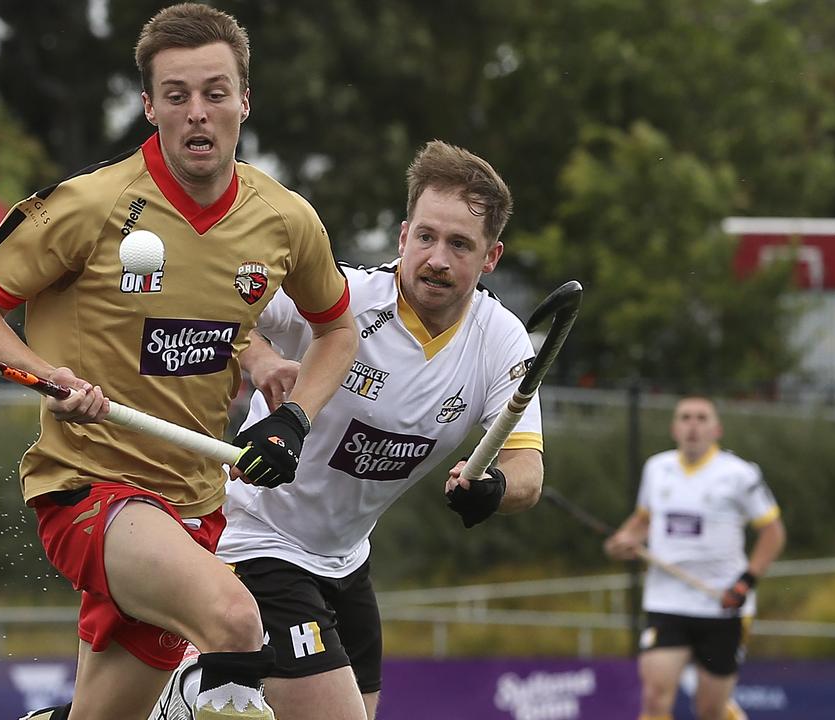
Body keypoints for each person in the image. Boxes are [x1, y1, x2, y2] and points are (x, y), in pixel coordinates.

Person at [0, 5, 357, 719]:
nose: (198, 114)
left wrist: (292, 419)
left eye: (215, 93)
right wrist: (48, 376)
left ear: (244, 100)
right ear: (149, 106)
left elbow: (338, 331)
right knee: (235, 620)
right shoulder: (91, 205)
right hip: (88, 488)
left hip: (195, 507)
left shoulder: (286, 219)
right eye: (177, 96)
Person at [151, 140, 546, 720]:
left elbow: (528, 475)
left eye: (460, 244)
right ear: (403, 236)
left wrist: (492, 490)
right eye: (426, 237)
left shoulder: (501, 338)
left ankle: (164, 703)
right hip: (256, 537)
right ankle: (184, 694)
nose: (437, 259)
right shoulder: (346, 298)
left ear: (491, 257)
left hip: (345, 561)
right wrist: (260, 364)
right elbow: (225, 312)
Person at [604, 396, 786, 720]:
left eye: (702, 418)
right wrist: (622, 541)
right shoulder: (657, 468)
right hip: (666, 601)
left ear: (717, 429)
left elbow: (773, 533)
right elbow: (643, 521)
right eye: (685, 417)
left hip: (722, 604)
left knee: (709, 709)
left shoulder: (740, 474)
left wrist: (746, 583)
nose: (693, 425)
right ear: (674, 428)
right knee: (655, 697)